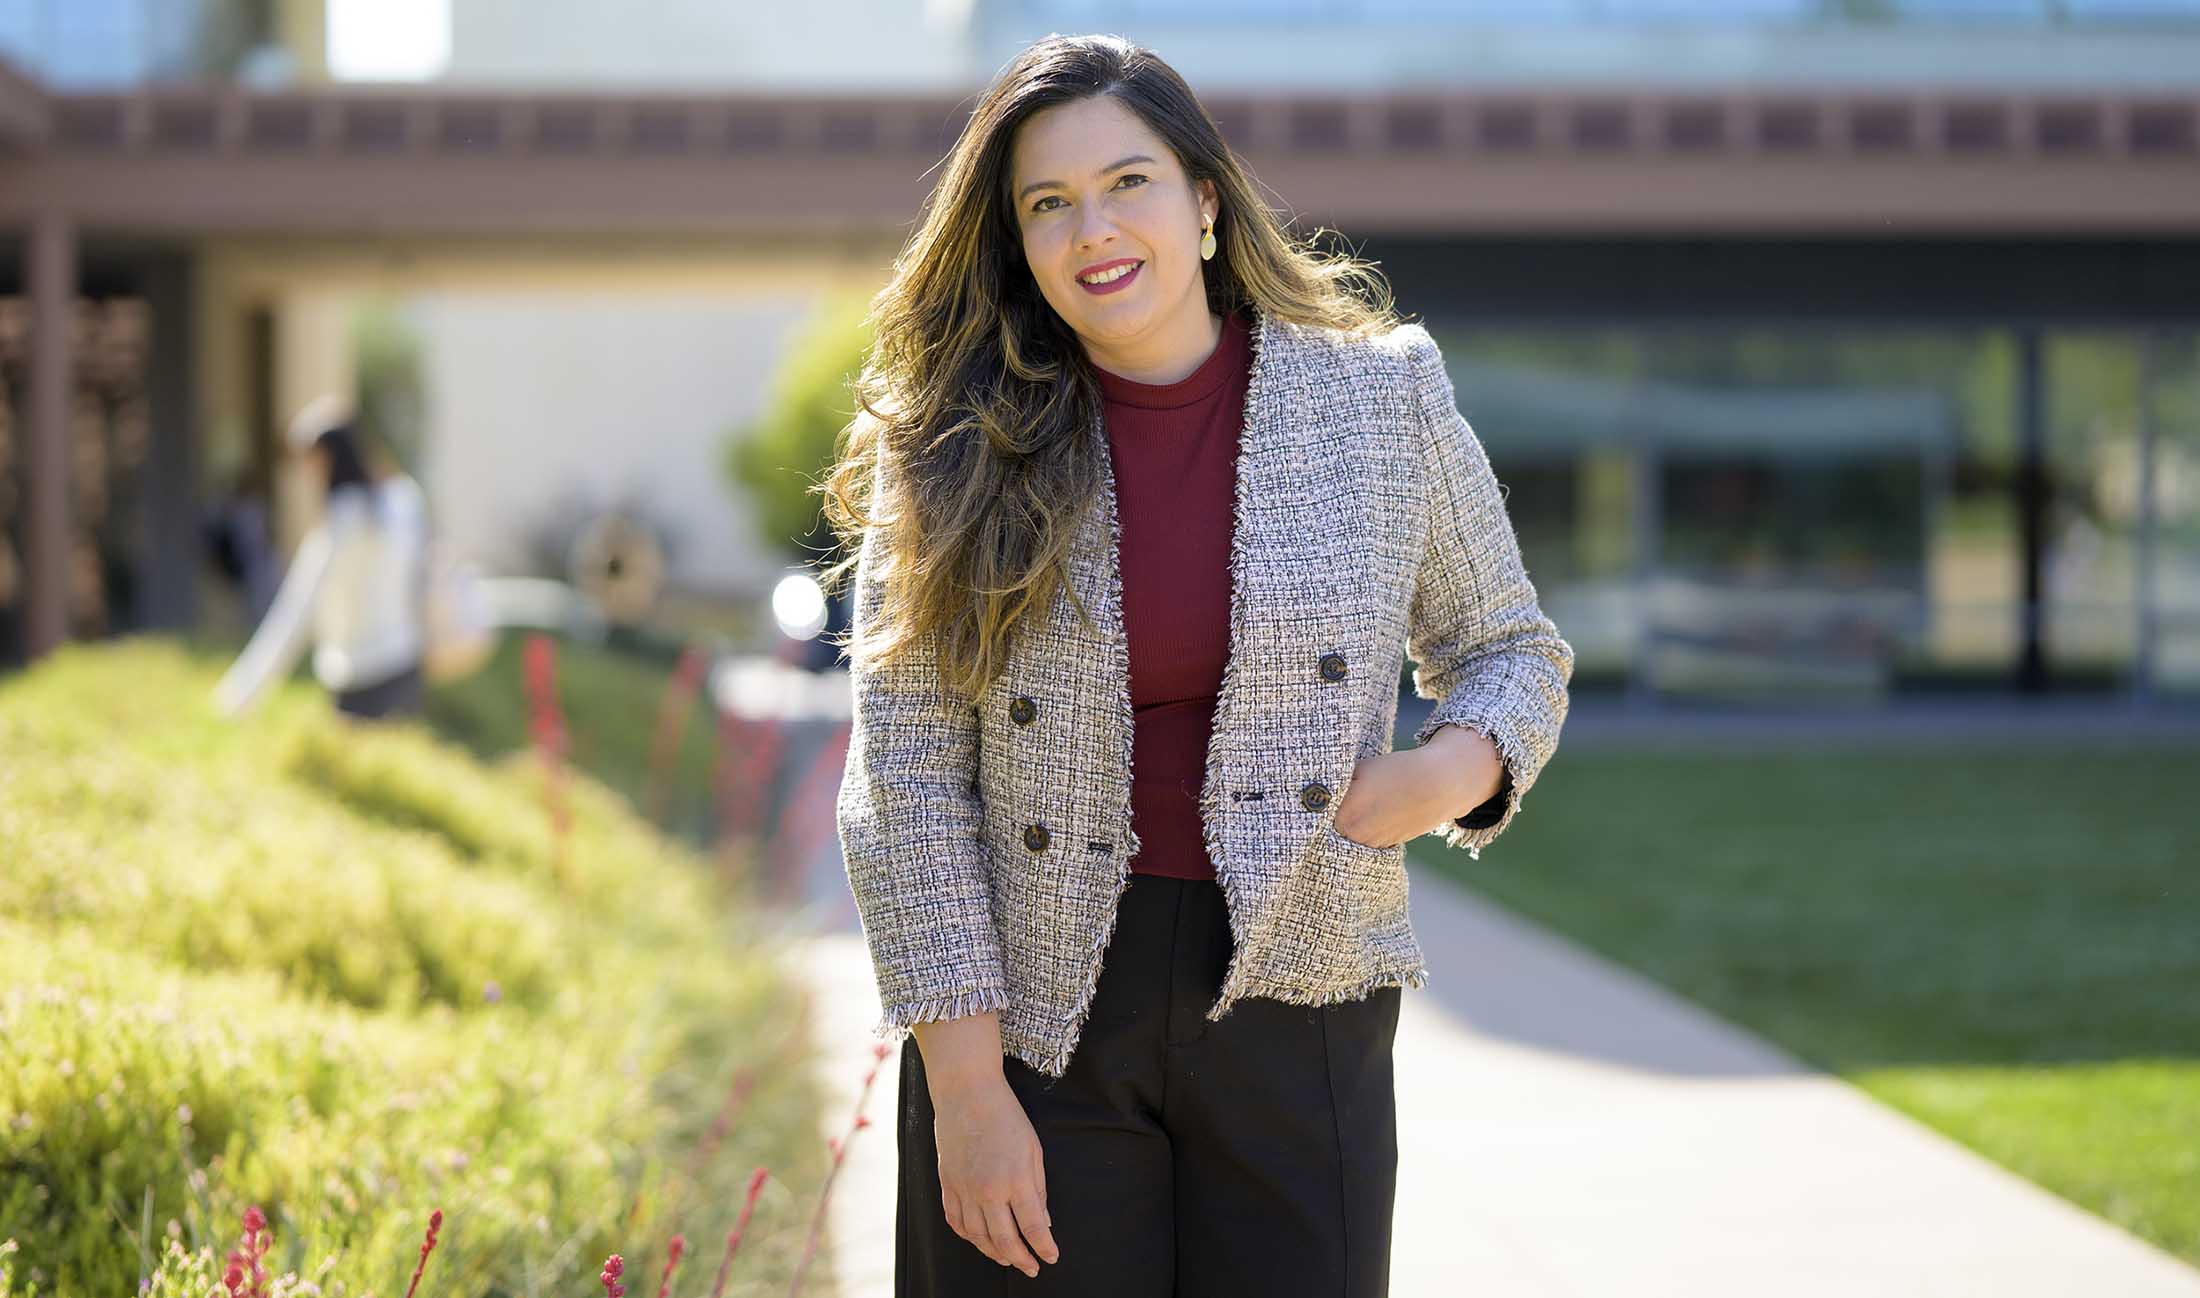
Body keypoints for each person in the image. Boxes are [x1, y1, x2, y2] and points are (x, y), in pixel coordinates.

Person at [818, 33, 1574, 1298]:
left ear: (1206, 201)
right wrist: (963, 1088)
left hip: (1305, 994)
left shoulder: (1381, 399)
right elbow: (903, 778)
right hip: (1033, 1022)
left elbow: (1511, 649)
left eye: (1128, 183)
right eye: (1046, 204)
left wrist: (1442, 774)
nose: (1092, 229)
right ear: (1015, 242)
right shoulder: (947, 444)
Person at [212, 398, 431, 722]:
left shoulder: (338, 527)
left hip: (361, 679)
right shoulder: (404, 502)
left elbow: (295, 613)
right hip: (406, 665)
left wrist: (239, 693)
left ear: (327, 458)